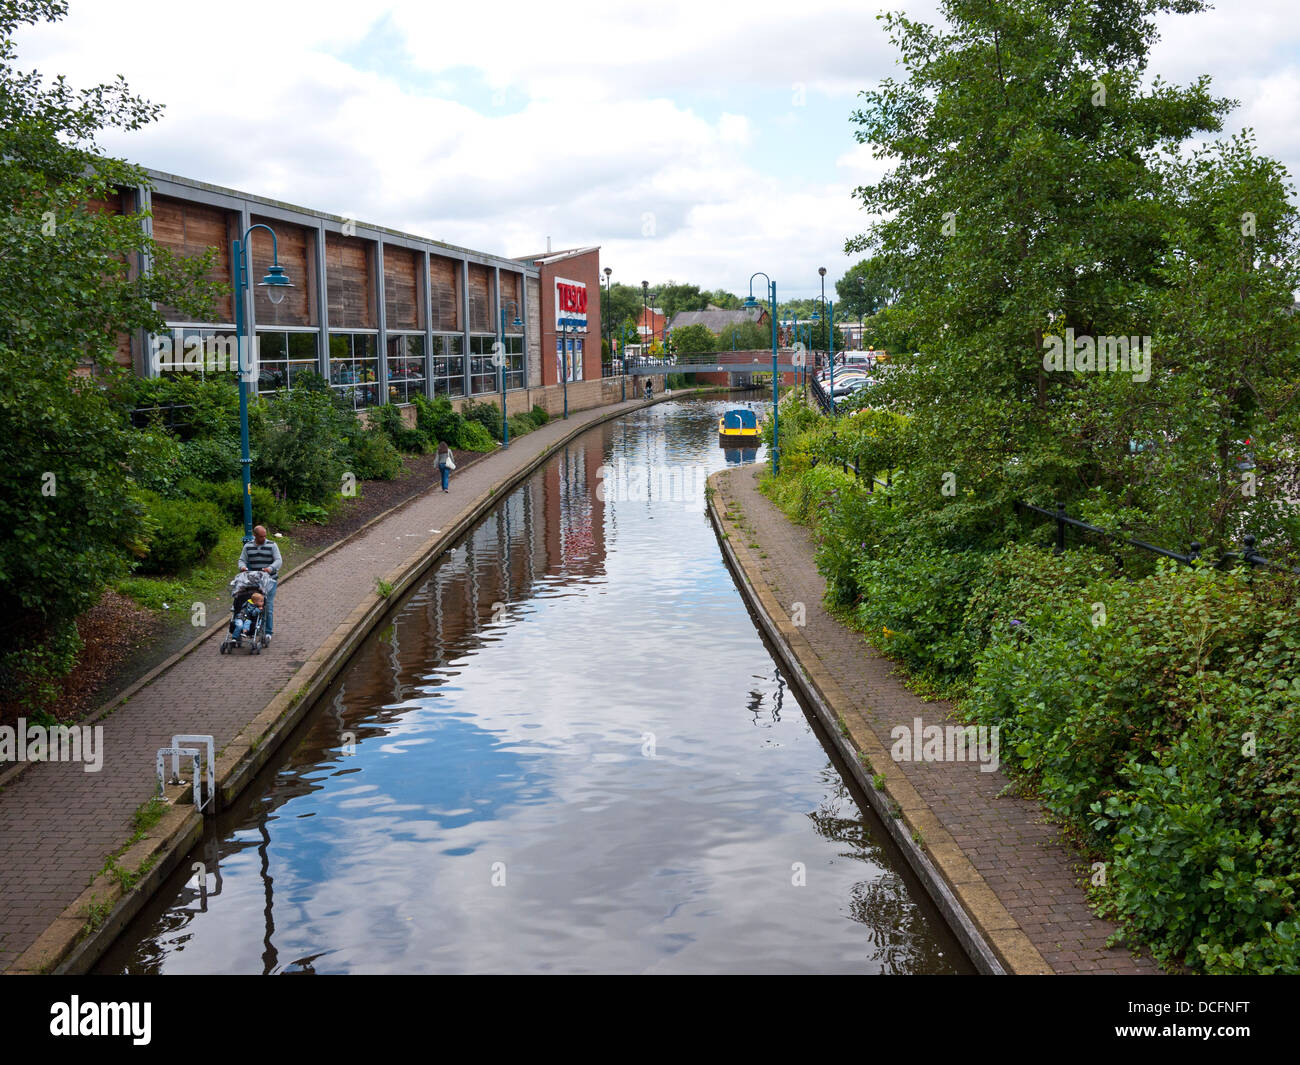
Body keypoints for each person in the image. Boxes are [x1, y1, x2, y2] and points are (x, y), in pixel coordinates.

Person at [238, 525, 282, 641]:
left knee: (268, 606)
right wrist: (242, 567)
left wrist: (270, 568)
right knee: (253, 604)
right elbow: (242, 559)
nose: (264, 538)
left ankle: (268, 632)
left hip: (270, 580)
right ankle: (255, 627)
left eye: (265, 536)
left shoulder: (272, 545)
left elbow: (278, 560)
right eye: (262, 536)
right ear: (255, 536)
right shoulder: (248, 546)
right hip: (255, 580)